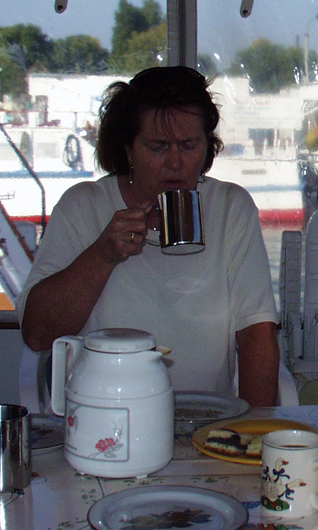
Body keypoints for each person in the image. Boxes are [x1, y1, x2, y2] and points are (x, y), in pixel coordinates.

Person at [17, 66, 280, 406]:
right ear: (128, 151)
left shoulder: (230, 208)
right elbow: (37, 334)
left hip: (206, 417)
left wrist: (254, 429)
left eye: (188, 146)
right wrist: (102, 255)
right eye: (158, 147)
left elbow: (257, 332)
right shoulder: (84, 207)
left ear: (207, 148)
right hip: (108, 415)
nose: (176, 163)